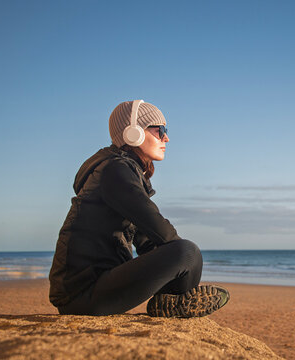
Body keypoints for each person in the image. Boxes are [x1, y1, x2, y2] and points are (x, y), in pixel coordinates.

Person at [48, 100, 229, 317]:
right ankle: (173, 304)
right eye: (160, 130)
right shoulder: (114, 170)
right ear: (134, 133)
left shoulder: (122, 171)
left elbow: (148, 242)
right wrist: (184, 266)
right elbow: (160, 230)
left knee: (184, 254)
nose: (166, 138)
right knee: (187, 252)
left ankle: (170, 303)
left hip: (92, 288)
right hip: (81, 294)